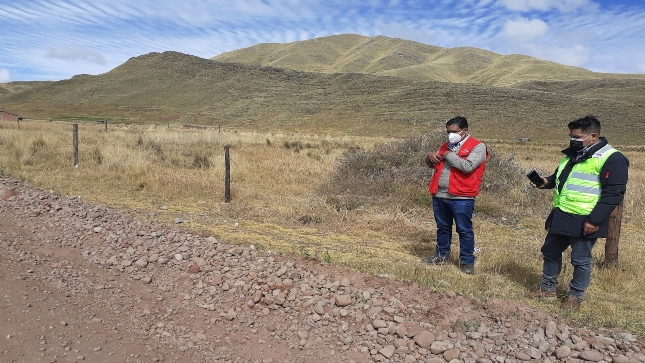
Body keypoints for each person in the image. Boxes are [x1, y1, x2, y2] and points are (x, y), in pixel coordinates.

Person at [525, 115, 629, 310]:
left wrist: (595, 220)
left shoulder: (613, 159)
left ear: (593, 136)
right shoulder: (573, 154)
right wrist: (546, 182)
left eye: (577, 136)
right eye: (571, 136)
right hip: (562, 214)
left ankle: (575, 296)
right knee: (550, 251)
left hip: (586, 219)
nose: (572, 140)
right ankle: (546, 288)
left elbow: (613, 194)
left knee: (580, 259)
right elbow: (560, 178)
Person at [421, 116, 488, 274]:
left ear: (465, 130)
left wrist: (448, 155)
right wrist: (429, 157)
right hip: (440, 194)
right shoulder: (445, 145)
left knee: (464, 230)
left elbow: (468, 166)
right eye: (448, 132)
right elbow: (434, 164)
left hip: (462, 197)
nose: (451, 135)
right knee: (442, 227)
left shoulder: (478, 147)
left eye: (454, 132)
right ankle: (441, 256)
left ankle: (467, 262)